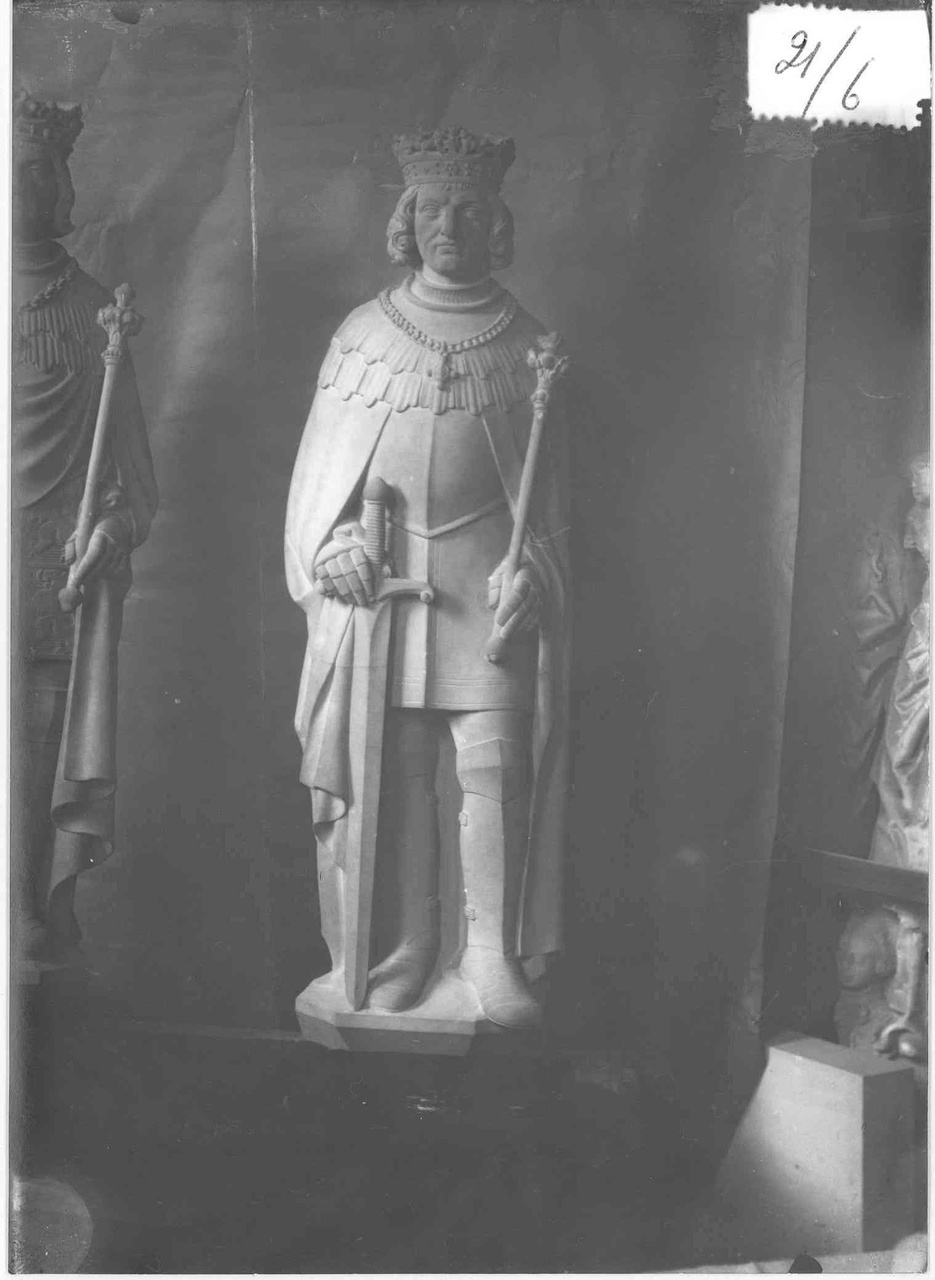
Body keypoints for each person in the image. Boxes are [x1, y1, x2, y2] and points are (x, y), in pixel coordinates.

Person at [286, 127, 571, 1029]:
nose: (450, 226)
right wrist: (332, 547)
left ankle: (488, 952)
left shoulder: (528, 346)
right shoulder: (363, 337)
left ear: (498, 224)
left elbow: (550, 506)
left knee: (494, 764)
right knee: (398, 768)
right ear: (406, 220)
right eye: (434, 209)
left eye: (470, 212)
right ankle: (407, 945)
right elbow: (318, 486)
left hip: (484, 583)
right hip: (387, 590)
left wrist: (534, 571)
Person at [12, 91, 157, 966]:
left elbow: (130, 478)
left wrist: (109, 527)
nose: (22, 187)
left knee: (32, 747)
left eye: (38, 171)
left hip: (44, 574)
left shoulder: (95, 312)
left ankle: (22, 906)